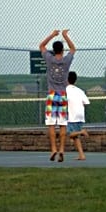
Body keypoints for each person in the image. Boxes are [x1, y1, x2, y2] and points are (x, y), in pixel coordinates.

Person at [39, 29, 75, 162]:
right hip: (63, 95)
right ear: (62, 50)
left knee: (51, 125)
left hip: (51, 95)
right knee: (63, 125)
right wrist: (66, 35)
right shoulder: (66, 61)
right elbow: (73, 48)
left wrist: (52, 35)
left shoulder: (49, 59)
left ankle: (53, 149)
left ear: (53, 50)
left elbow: (42, 46)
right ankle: (61, 150)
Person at [65, 71, 91, 161]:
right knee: (75, 137)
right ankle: (81, 155)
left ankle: (82, 132)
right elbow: (86, 102)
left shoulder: (65, 90)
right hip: (80, 115)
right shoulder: (80, 90)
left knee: (69, 134)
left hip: (72, 116)